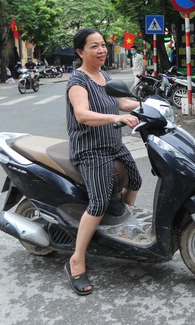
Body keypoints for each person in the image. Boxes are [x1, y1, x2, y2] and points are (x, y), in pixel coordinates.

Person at [65, 28, 143, 295]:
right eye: (94, 46)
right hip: (91, 149)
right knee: (98, 202)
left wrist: (148, 105)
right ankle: (77, 259)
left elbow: (121, 103)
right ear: (80, 52)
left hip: (112, 144)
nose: (101, 50)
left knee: (135, 180)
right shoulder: (78, 81)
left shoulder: (104, 76)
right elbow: (83, 114)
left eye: (103, 45)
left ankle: (120, 226)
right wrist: (115, 119)